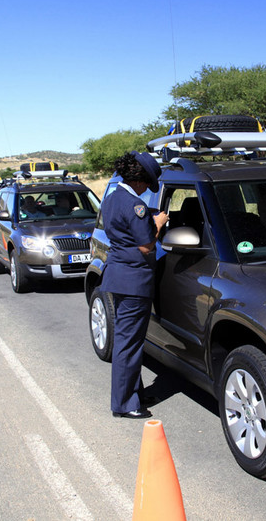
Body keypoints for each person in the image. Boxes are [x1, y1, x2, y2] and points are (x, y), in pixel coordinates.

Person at [100, 151, 168, 419]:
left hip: (118, 276)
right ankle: (125, 404)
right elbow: (145, 244)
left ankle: (135, 393)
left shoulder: (112, 198)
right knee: (128, 344)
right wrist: (158, 224)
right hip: (134, 282)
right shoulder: (136, 206)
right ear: (141, 181)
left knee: (128, 341)